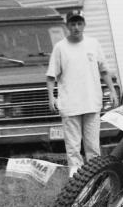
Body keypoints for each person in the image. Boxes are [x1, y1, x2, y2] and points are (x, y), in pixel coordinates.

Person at [46, 10, 119, 177]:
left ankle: (96, 180)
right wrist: (52, 97)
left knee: (93, 146)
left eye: (79, 23)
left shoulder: (93, 44)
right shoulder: (60, 47)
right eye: (72, 24)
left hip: (92, 102)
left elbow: (104, 71)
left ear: (84, 24)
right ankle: (75, 182)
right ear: (67, 26)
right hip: (70, 105)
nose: (76, 27)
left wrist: (112, 90)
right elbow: (51, 76)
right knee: (73, 148)